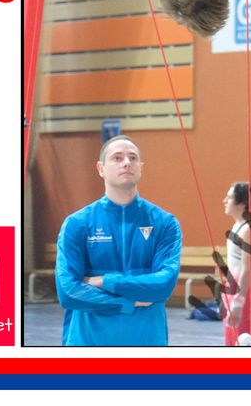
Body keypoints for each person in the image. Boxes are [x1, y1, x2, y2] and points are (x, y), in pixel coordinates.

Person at [55, 135, 182, 346]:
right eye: (117, 157)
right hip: (88, 342)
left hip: (146, 341)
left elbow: (164, 284)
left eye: (133, 158)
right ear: (101, 168)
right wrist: (127, 303)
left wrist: (104, 281)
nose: (126, 162)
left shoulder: (165, 223)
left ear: (141, 167)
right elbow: (69, 292)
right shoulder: (77, 224)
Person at [221, 181, 251, 346]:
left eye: (229, 198)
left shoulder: (248, 230)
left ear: (242, 203)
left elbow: (247, 269)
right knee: (232, 339)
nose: (224, 201)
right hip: (233, 286)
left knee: (244, 340)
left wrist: (239, 302)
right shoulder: (237, 226)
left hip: (242, 288)